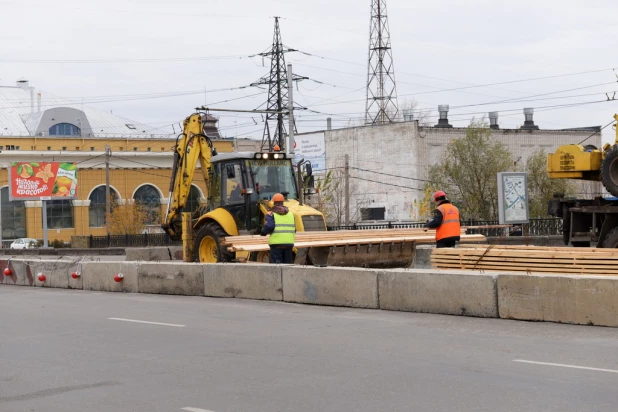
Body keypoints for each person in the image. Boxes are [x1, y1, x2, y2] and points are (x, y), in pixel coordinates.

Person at [260, 193, 296, 263]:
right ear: (283, 202)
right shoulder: (291, 214)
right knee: (287, 267)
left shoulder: (271, 214)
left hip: (277, 245)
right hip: (289, 244)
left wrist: (263, 232)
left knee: (276, 268)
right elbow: (294, 229)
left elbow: (269, 226)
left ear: (274, 203)